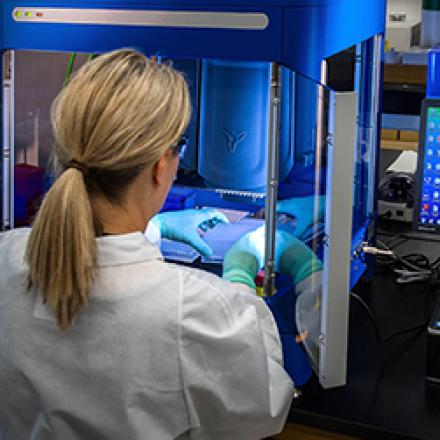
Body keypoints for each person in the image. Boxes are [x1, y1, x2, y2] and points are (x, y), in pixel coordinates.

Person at [0, 48, 321, 440]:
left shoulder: (6, 257)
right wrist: (239, 276)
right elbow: (266, 408)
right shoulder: (198, 314)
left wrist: (155, 228)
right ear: (160, 166)